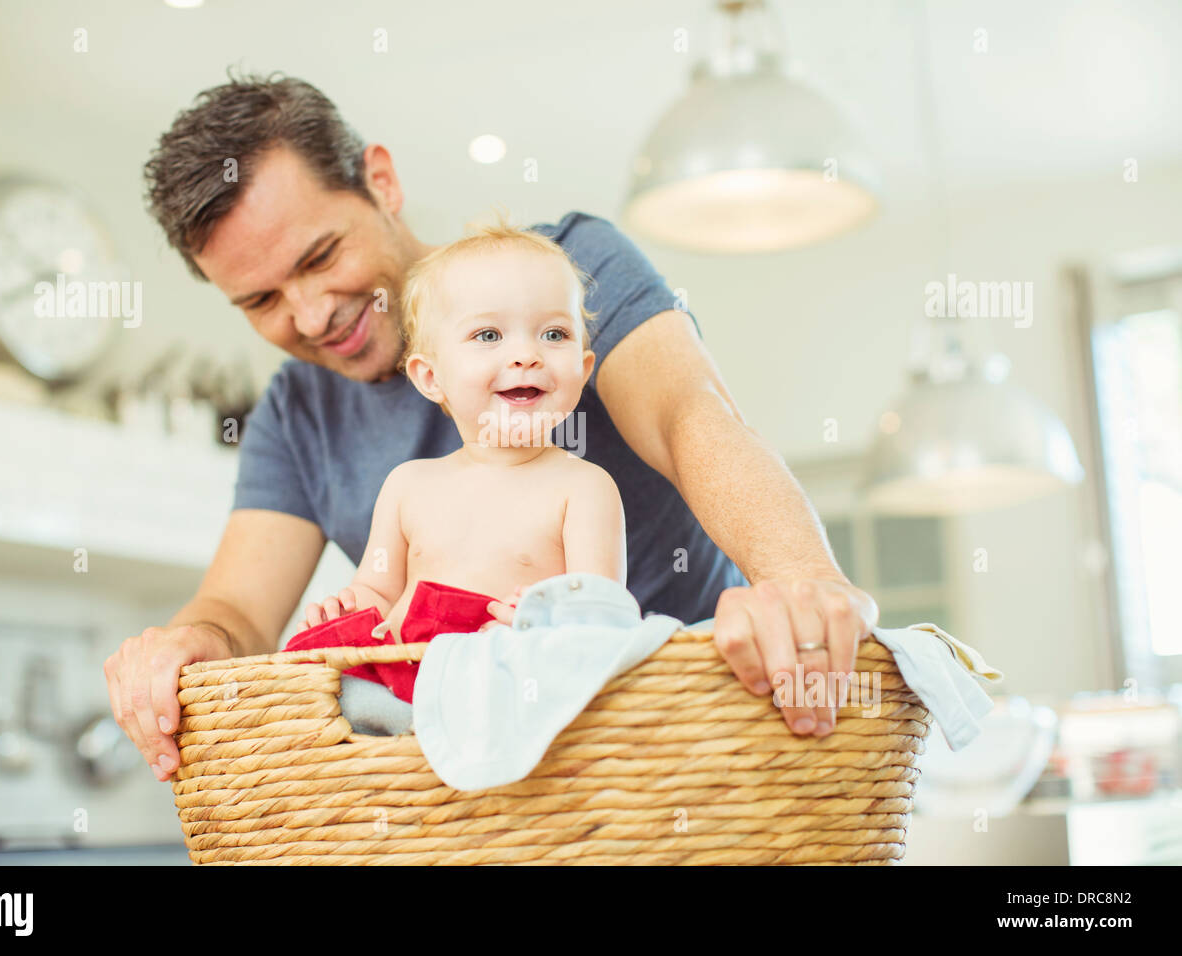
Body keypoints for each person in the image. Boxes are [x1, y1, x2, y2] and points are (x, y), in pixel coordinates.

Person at [107, 70, 879, 784]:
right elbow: (237, 613)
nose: (311, 315)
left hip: (684, 749)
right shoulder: (295, 411)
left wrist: (801, 580)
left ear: (381, 181)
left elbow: (688, 418)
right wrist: (189, 641)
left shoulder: (562, 274)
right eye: (261, 302)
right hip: (483, 801)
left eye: (321, 257)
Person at [297, 216, 623, 658]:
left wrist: (548, 619)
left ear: (582, 371)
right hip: (408, 688)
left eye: (554, 334)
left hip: (519, 682)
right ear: (431, 377)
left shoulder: (584, 488)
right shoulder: (408, 486)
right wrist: (347, 606)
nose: (526, 355)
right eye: (488, 334)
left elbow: (602, 616)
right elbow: (376, 590)